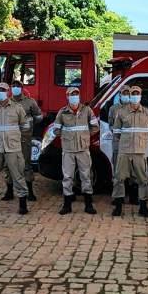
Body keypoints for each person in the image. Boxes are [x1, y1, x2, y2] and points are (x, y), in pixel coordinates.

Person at [0, 82, 30, 215]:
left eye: (3, 90)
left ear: (8, 92)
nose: (1, 92)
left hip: (13, 147)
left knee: (18, 176)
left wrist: (14, 136)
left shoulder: (17, 108)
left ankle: (23, 204)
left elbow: (25, 126)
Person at [52, 86, 99, 215]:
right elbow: (56, 130)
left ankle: (88, 204)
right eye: (71, 94)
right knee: (67, 177)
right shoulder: (62, 112)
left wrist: (85, 135)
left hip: (83, 149)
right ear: (67, 97)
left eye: (76, 94)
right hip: (68, 149)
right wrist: (67, 136)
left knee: (86, 176)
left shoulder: (87, 110)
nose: (74, 96)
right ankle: (67, 204)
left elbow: (95, 126)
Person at [111, 85, 148, 218]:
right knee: (119, 179)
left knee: (142, 180)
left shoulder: (147, 113)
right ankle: (118, 206)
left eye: (137, 93)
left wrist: (140, 141)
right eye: (133, 93)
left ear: (140, 95)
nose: (135, 96)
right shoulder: (121, 112)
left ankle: (143, 207)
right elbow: (117, 132)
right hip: (124, 151)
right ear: (129, 96)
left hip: (140, 151)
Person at [2, 79, 43, 202]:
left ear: (22, 87)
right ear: (10, 88)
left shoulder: (30, 102)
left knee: (26, 164)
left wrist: (29, 127)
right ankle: (9, 191)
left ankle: (30, 191)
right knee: (8, 165)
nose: (15, 88)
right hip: (10, 139)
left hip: (25, 138)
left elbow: (39, 117)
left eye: (17, 86)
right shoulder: (7, 102)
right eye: (13, 85)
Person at [109, 85, 132, 202]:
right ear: (119, 94)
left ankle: (133, 196)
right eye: (124, 93)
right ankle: (118, 197)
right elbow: (110, 125)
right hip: (118, 143)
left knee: (132, 171)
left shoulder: (135, 108)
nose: (126, 95)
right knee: (118, 171)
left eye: (128, 93)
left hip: (131, 145)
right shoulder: (113, 109)